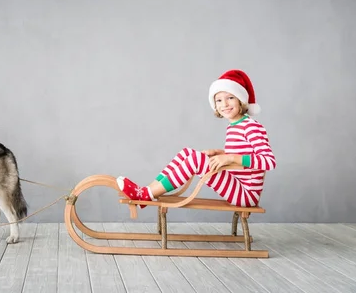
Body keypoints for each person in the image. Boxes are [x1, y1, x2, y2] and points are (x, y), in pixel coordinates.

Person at [117, 69, 276, 208]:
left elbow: (268, 161)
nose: (224, 104)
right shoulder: (234, 126)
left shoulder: (252, 127)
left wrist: (229, 157)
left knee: (195, 160)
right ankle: (148, 190)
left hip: (246, 194)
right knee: (187, 153)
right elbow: (242, 152)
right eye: (219, 100)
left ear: (241, 100)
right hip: (237, 184)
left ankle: (145, 195)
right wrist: (219, 153)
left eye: (230, 98)